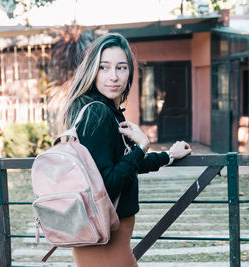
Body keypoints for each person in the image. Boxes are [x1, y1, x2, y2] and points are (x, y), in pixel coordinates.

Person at [61, 33, 192, 267]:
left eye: (121, 67)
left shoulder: (105, 111)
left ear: (130, 72)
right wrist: (141, 147)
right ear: (93, 70)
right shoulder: (97, 114)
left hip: (107, 236)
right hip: (104, 237)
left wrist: (168, 156)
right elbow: (109, 183)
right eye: (104, 67)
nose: (114, 76)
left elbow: (127, 163)